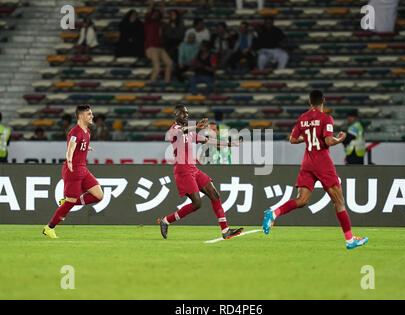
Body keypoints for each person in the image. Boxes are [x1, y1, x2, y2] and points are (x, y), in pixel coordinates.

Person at [262, 90, 368, 250]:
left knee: (302, 200)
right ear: (323, 100)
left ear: (309, 102)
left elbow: (292, 140)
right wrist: (340, 139)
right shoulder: (326, 118)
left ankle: (274, 212)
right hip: (323, 163)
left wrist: (308, 137)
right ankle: (350, 239)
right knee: (339, 202)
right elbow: (328, 141)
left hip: (307, 163)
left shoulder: (302, 118)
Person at [157, 104, 243, 240]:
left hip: (193, 169)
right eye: (183, 113)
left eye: (187, 113)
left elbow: (210, 141)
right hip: (183, 171)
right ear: (176, 115)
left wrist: (231, 144)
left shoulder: (190, 132)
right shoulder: (173, 130)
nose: (186, 115)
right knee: (197, 203)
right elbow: (182, 131)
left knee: (214, 194)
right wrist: (196, 125)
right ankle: (166, 221)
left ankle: (225, 230)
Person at [43, 105, 104, 239]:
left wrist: (86, 147)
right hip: (73, 169)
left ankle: (66, 204)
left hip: (83, 168)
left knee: (99, 195)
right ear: (81, 116)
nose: (92, 116)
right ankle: (49, 227)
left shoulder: (87, 132)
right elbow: (71, 147)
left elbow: (78, 145)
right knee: (71, 200)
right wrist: (69, 160)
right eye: (89, 114)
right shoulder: (75, 131)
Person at [144, 0, 173, 83]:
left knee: (169, 63)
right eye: (154, 13)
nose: (156, 14)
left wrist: (163, 2)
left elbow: (161, 11)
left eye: (157, 14)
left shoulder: (158, 22)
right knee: (157, 68)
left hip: (160, 47)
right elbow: (149, 11)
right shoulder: (148, 22)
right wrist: (152, 2)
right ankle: (152, 84)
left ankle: (166, 82)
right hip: (151, 47)